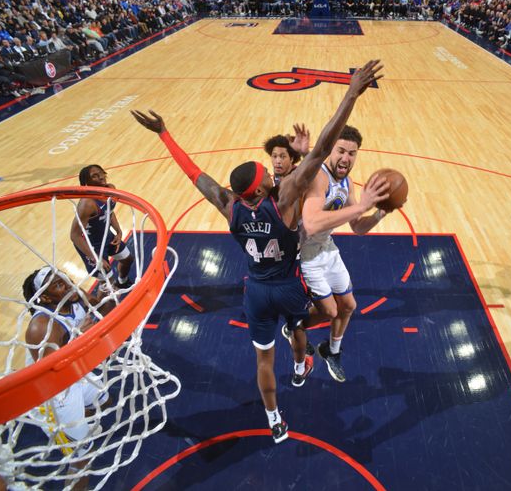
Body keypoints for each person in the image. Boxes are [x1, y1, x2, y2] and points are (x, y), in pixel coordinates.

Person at [130, 59, 383, 443]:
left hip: (256, 291)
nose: (272, 170)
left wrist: (164, 133)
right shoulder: (282, 202)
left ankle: (274, 419)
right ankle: (300, 368)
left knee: (263, 359)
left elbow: (195, 174)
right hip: (288, 285)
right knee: (298, 327)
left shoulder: (229, 206)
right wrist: (351, 92)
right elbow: (323, 148)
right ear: (264, 188)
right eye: (268, 173)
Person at [284, 124, 392, 383]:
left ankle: (330, 351)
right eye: (341, 151)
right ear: (330, 150)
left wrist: (378, 212)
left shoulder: (347, 182)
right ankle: (293, 328)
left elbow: (358, 228)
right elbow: (310, 223)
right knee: (330, 312)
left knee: (349, 306)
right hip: (305, 254)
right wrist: (361, 207)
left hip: (327, 247)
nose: (346, 158)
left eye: (352, 153)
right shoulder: (318, 177)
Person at [22, 266, 114, 490]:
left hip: (76, 376)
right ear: (45, 297)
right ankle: (71, 433)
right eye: (58, 284)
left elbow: (104, 308)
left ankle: (81, 420)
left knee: (105, 400)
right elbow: (52, 372)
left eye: (65, 277)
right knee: (81, 460)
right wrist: (78, 338)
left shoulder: (73, 295)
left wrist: (107, 290)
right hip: (54, 396)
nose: (68, 282)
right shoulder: (40, 326)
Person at [70, 165, 134, 289]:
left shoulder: (110, 189)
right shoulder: (87, 204)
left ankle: (122, 281)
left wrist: (119, 231)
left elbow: (110, 212)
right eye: (94, 176)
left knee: (127, 259)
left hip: (106, 236)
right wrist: (95, 258)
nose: (100, 177)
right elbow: (75, 235)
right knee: (108, 284)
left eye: (101, 173)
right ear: (86, 183)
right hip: (90, 245)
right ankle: (101, 307)